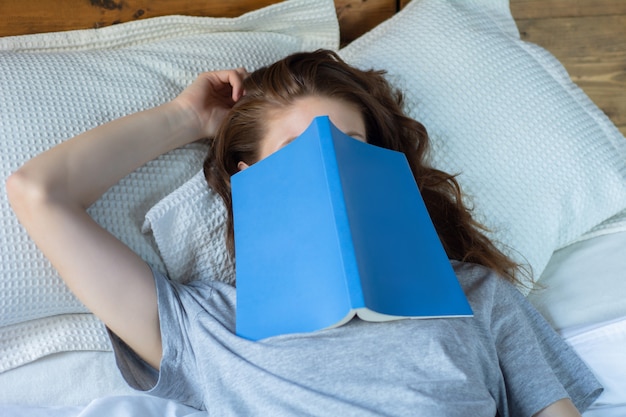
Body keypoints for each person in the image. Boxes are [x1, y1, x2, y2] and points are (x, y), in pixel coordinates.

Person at [7, 50, 601, 416]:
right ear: (249, 180)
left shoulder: (474, 294)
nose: (332, 166)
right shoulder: (206, 327)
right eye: (295, 150)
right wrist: (187, 118)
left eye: (353, 145)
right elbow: (38, 193)